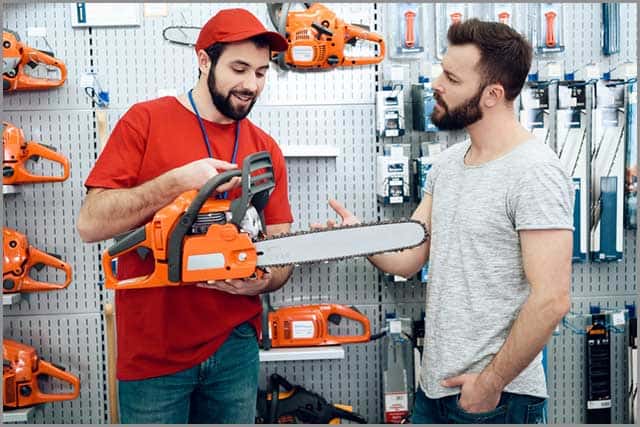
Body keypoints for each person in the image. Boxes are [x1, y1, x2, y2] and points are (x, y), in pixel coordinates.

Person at [319, 19, 573, 423]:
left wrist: (490, 384)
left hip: (496, 399)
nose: (436, 83)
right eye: (442, 69)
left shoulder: (535, 172)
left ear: (492, 95)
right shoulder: (449, 164)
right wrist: (356, 239)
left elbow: (552, 300)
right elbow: (408, 257)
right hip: (435, 389)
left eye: (451, 77)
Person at [76, 8, 294, 424]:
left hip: (234, 346)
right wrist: (176, 182)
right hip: (153, 350)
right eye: (239, 68)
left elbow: (283, 251)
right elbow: (90, 223)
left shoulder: (264, 148)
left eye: (262, 73)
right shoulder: (145, 121)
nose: (251, 85)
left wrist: (266, 278)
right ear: (204, 60)